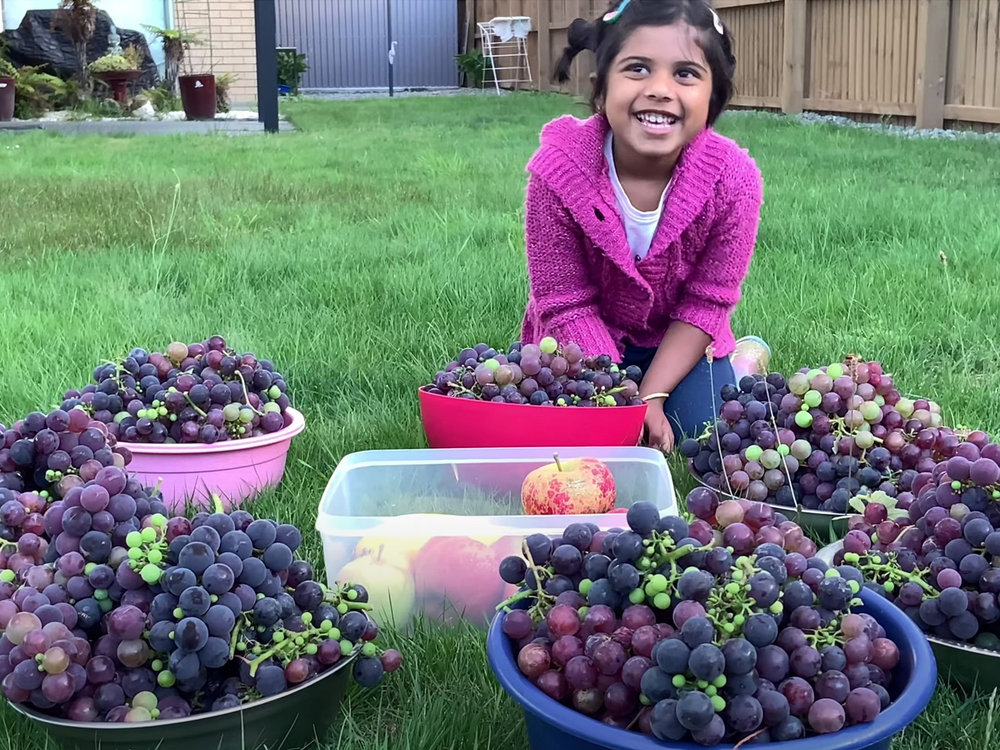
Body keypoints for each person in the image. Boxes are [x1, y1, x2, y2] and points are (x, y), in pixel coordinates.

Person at [518, 0, 766, 453]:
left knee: (707, 437)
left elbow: (706, 304)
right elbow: (565, 304)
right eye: (637, 69)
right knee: (578, 438)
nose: (659, 89)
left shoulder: (735, 182)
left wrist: (652, 392)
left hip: (678, 340)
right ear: (601, 87)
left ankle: (742, 364)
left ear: (714, 97)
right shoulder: (557, 173)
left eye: (685, 74)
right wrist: (624, 401)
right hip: (583, 339)